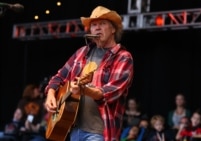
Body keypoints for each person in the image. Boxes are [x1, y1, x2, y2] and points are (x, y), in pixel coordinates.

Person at [44, 5, 134, 141]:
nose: (97, 28)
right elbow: (59, 77)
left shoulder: (123, 57)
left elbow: (108, 92)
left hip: (100, 132)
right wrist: (51, 94)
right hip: (74, 129)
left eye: (102, 24)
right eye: (94, 25)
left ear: (113, 29)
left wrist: (83, 90)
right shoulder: (81, 52)